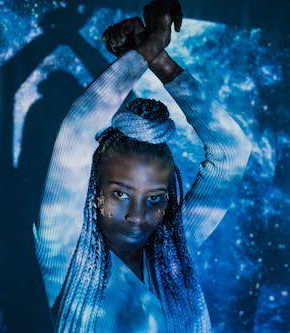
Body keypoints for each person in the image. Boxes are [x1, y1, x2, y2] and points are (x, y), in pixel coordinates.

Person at [34, 1, 252, 332]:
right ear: (94, 190)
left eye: (154, 198)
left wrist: (160, 62)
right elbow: (77, 130)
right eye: (120, 193)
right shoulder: (64, 251)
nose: (138, 216)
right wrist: (151, 44)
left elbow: (232, 151)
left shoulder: (173, 251)